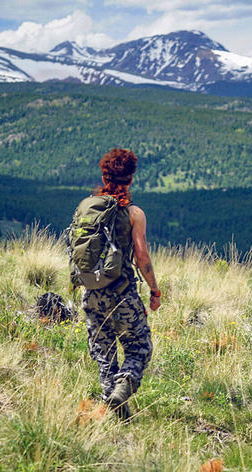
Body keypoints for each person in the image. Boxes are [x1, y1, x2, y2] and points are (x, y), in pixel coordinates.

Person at [81, 148, 161, 418]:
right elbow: (141, 256)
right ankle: (124, 386)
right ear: (130, 178)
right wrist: (154, 289)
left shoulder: (87, 208)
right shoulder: (133, 213)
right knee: (140, 347)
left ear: (104, 175)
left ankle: (118, 415)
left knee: (104, 355)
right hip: (122, 294)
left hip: (90, 292)